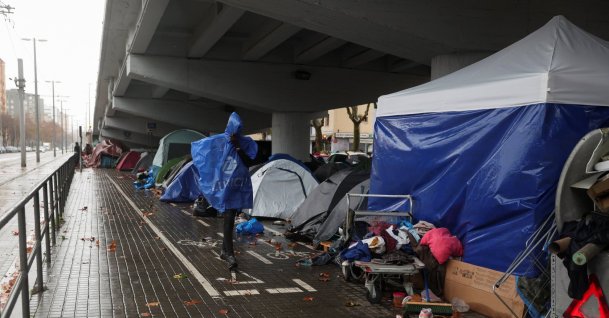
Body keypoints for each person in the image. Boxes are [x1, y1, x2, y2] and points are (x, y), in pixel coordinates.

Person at [191, 112, 257, 270]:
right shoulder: (219, 142)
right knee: (228, 220)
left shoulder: (244, 143)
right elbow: (204, 154)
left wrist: (238, 147)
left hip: (238, 187)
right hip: (224, 188)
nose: (236, 133)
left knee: (231, 219)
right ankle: (230, 255)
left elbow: (249, 161)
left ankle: (223, 250)